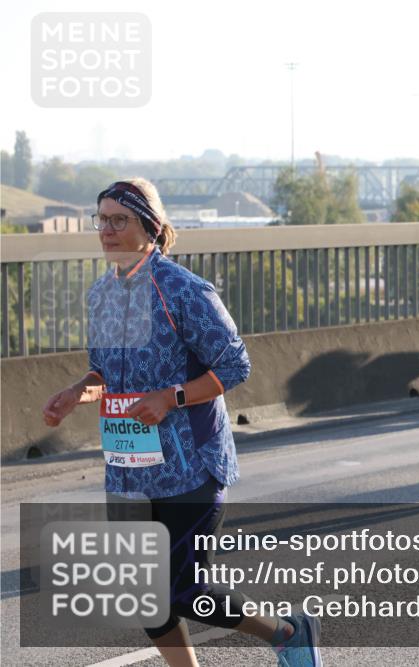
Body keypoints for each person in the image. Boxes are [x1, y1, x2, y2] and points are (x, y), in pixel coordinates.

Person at [41, 179, 321, 667]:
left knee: (186, 591)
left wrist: (171, 398)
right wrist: (76, 392)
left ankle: (288, 632)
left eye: (119, 219)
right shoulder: (101, 294)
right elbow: (105, 373)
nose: (106, 229)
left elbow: (235, 365)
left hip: (189, 465)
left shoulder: (184, 290)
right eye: (101, 219)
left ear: (150, 227)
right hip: (128, 469)